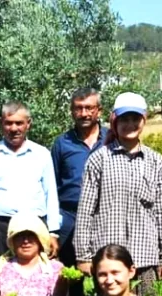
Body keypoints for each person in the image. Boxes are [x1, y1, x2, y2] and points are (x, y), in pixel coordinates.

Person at [73, 92, 162, 296]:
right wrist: (83, 256)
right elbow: (85, 211)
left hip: (145, 256)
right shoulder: (99, 160)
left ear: (144, 120)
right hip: (108, 258)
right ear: (114, 121)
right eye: (124, 119)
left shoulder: (156, 162)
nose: (130, 124)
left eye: (135, 119)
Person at [0, 102, 59, 260]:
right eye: (8, 123)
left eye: (19, 123)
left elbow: (51, 194)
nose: (13, 128)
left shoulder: (42, 154)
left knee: (34, 276)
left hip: (33, 225)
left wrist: (53, 233)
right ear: (1, 124)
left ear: (28, 124)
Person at [50, 88, 108, 272]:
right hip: (69, 217)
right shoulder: (62, 143)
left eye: (89, 108)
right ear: (71, 111)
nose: (84, 113)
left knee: (105, 270)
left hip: (105, 216)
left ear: (99, 110)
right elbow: (52, 186)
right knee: (69, 274)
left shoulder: (112, 139)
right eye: (78, 108)